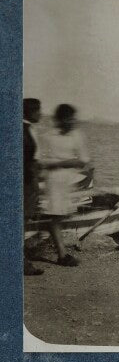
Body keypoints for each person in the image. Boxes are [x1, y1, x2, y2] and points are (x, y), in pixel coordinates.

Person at [40, 103, 92, 267]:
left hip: (68, 180)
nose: (71, 122)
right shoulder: (48, 136)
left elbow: (84, 159)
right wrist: (67, 162)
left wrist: (65, 163)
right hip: (54, 179)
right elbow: (41, 161)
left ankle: (48, 237)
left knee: (61, 215)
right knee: (56, 215)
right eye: (68, 119)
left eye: (73, 119)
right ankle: (62, 255)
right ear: (60, 119)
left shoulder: (77, 136)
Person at [23, 98, 44, 275]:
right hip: (27, 181)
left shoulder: (27, 129)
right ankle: (21, 262)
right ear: (29, 112)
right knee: (21, 220)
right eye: (38, 110)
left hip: (30, 179)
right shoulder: (24, 131)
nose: (41, 113)